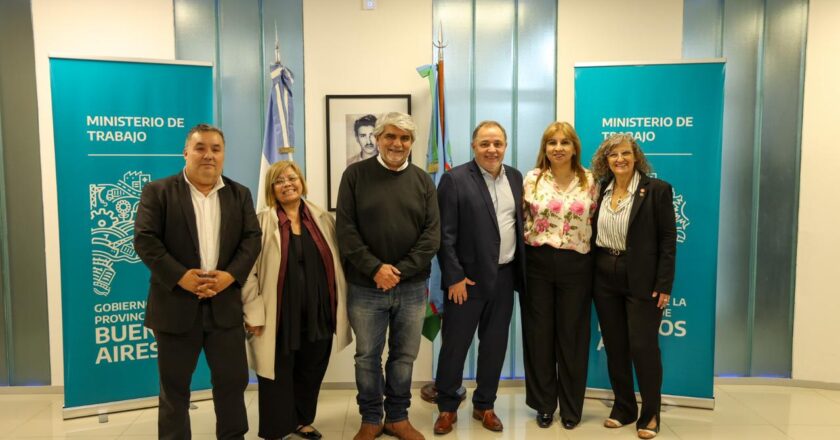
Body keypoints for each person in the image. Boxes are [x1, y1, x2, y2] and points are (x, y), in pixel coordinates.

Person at [134, 123, 261, 440]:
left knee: (232, 384)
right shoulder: (158, 191)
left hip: (224, 308)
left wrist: (229, 276)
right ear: (186, 152)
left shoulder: (240, 194)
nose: (208, 155)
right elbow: (145, 240)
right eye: (200, 148)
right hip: (175, 307)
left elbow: (251, 240)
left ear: (223, 154)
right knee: (174, 389)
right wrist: (181, 277)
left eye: (216, 149)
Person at [336, 111, 440, 440]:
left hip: (412, 287)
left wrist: (399, 272)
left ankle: (397, 418)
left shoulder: (423, 181)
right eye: (390, 136)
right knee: (367, 356)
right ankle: (370, 418)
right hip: (365, 286)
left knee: (404, 356)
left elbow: (431, 236)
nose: (397, 143)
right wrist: (375, 269)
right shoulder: (354, 175)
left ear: (411, 142)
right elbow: (346, 231)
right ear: (378, 139)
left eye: (404, 138)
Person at [241, 160, 352, 440]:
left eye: (292, 178)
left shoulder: (323, 219)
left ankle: (302, 420)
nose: (287, 184)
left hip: (318, 311)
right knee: (277, 372)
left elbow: (338, 264)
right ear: (271, 189)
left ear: (301, 182)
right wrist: (253, 313)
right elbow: (248, 272)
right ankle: (277, 429)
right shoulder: (260, 223)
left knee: (311, 368)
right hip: (278, 313)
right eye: (279, 181)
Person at [433, 121, 526, 435]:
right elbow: (444, 235)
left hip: (504, 277)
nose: (492, 149)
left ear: (505, 146)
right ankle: (447, 407)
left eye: (498, 143)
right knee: (455, 346)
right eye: (485, 143)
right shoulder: (454, 179)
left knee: (495, 346)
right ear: (473, 146)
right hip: (466, 282)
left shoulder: (515, 177)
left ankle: (485, 405)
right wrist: (454, 277)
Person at [590, 133, 676, 439]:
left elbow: (668, 240)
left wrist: (664, 283)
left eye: (625, 153)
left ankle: (650, 413)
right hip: (604, 274)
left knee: (643, 346)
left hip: (642, 277)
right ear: (606, 160)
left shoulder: (656, 190)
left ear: (635, 156)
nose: (620, 159)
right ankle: (624, 406)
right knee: (615, 346)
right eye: (613, 155)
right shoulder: (600, 189)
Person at [521, 122, 598, 430]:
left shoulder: (590, 180)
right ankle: (544, 405)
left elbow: (595, 221)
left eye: (565, 142)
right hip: (538, 263)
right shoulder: (532, 179)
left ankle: (571, 408)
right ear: (545, 148)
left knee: (573, 337)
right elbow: (522, 220)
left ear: (574, 147)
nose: (558, 148)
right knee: (539, 336)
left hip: (576, 265)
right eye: (552, 142)